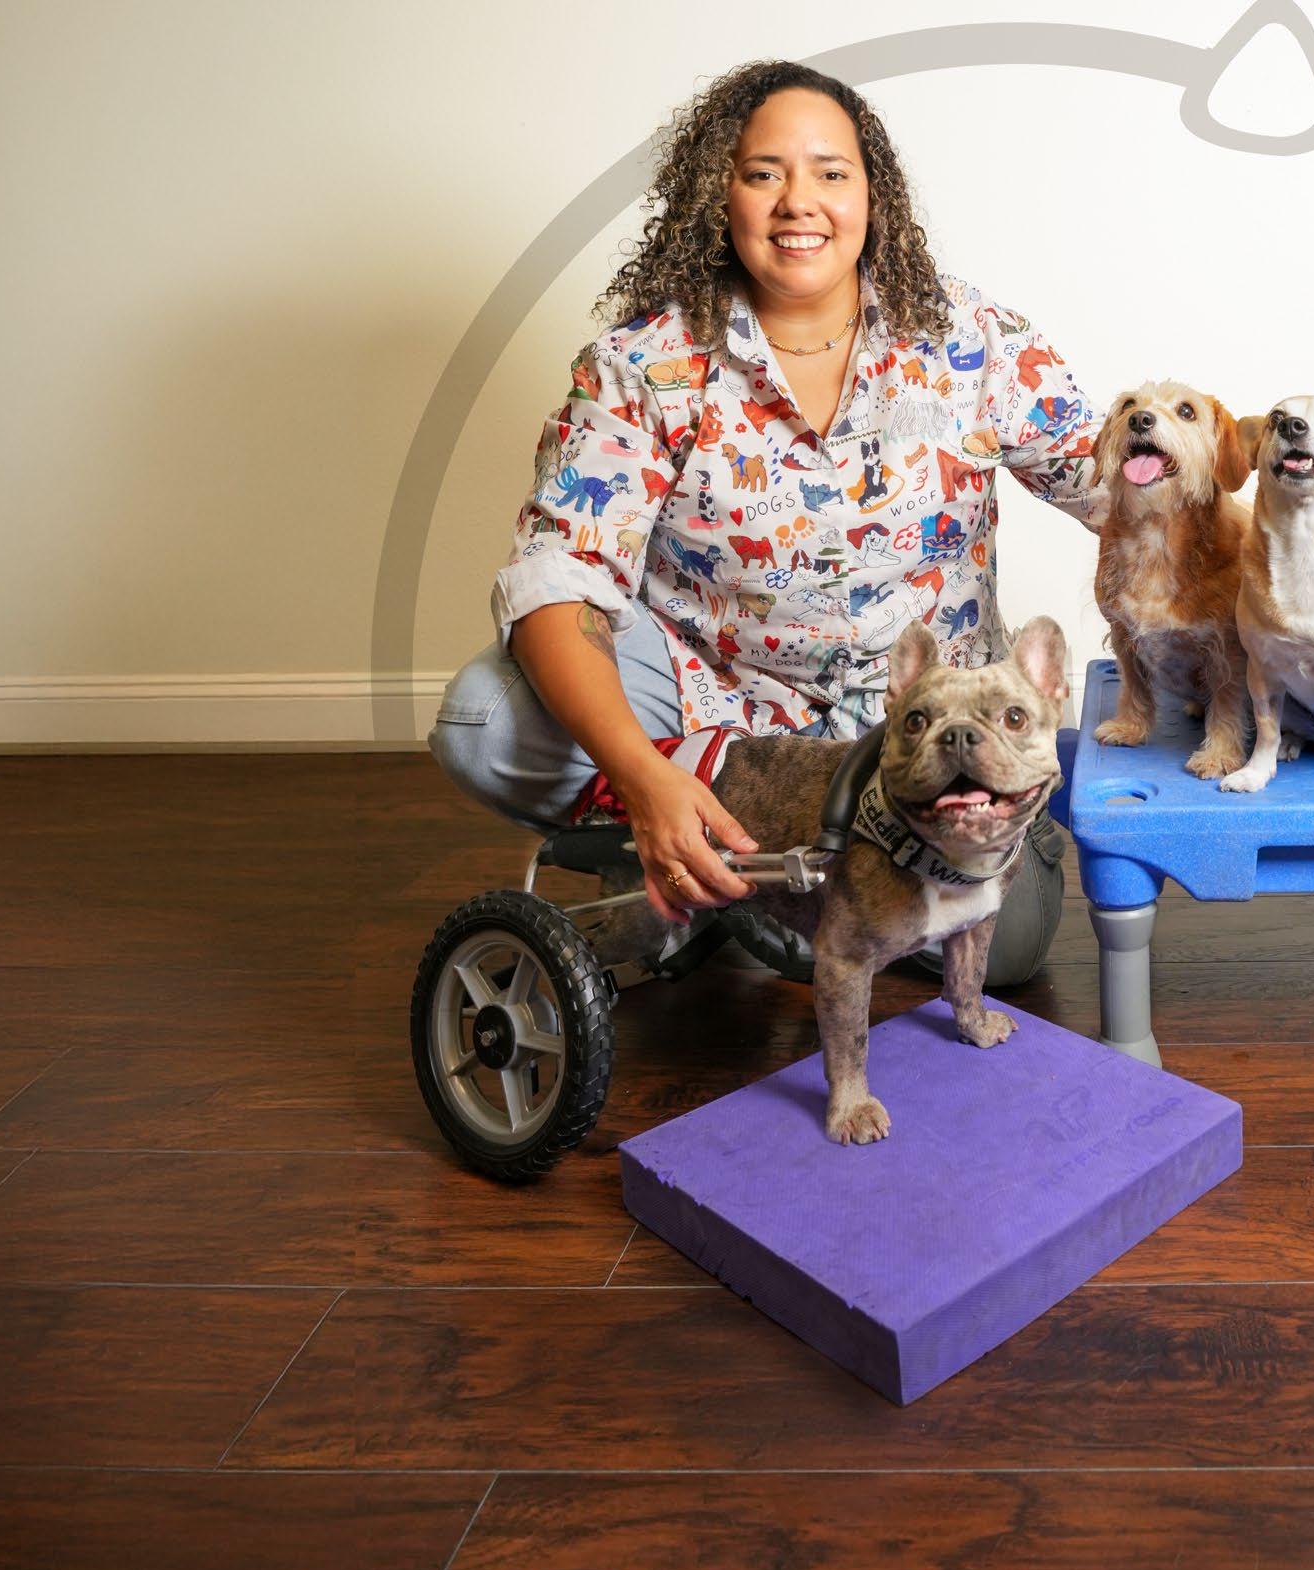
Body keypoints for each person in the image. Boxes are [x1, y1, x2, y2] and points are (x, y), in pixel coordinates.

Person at [428, 60, 1102, 985]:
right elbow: (560, 576)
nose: (799, 202)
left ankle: (741, 898)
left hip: (923, 733)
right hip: (719, 711)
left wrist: (1273, 527)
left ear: (873, 195)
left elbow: (1120, 486)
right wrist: (645, 782)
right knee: (484, 718)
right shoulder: (644, 365)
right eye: (763, 174)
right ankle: (694, 840)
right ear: (722, 194)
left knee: (1008, 951)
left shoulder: (971, 342)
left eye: (831, 172)